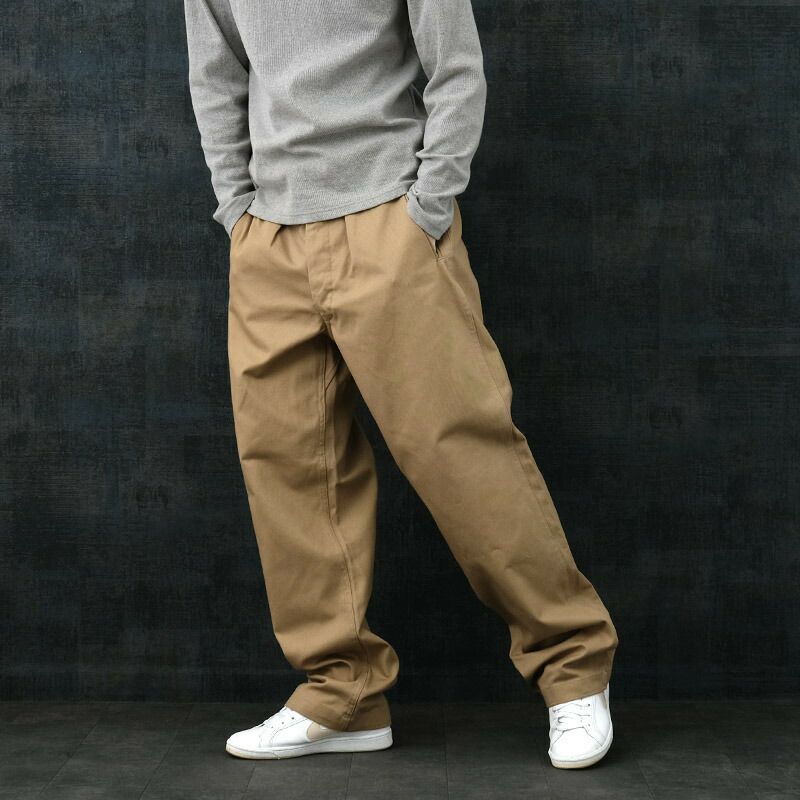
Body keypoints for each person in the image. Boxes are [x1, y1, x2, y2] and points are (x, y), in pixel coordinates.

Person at [183, 0, 619, 770]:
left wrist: (428, 205)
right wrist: (238, 211)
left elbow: (456, 67)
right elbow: (216, 74)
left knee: (460, 452)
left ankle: (573, 668)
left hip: (390, 218)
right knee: (288, 470)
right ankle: (341, 693)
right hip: (269, 239)